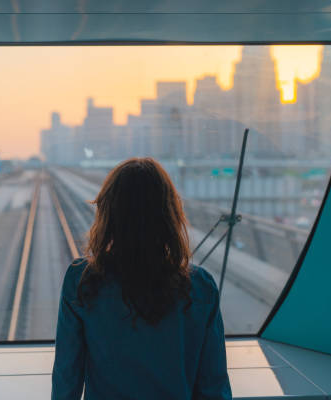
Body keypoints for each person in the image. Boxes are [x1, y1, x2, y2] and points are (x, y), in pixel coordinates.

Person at [52, 158, 231, 400]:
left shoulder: (82, 281)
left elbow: (67, 378)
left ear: (108, 214)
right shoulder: (200, 287)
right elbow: (213, 388)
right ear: (169, 216)